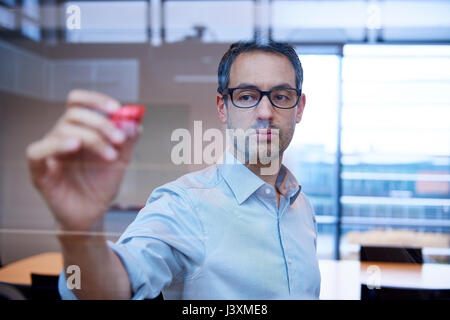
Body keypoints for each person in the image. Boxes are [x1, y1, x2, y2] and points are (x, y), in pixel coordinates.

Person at [26, 40, 321, 300]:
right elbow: (108, 290)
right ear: (222, 107)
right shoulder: (185, 205)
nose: (265, 112)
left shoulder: (302, 207)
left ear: (300, 107)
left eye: (281, 96)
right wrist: (80, 234)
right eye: (246, 96)